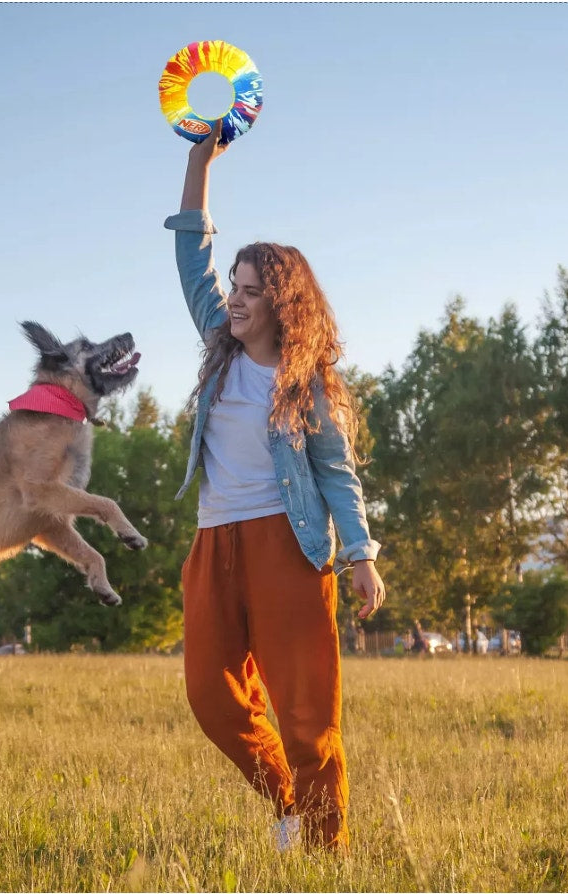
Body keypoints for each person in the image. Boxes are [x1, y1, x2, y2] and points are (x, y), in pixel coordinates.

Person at [164, 121, 386, 853]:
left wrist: (359, 553)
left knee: (304, 709)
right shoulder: (219, 345)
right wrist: (200, 163)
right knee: (210, 698)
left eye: (253, 291)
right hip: (212, 540)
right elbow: (191, 252)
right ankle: (289, 801)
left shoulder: (306, 385)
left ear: (281, 304)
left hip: (288, 547)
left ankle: (324, 846)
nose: (235, 298)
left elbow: (335, 471)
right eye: (236, 285)